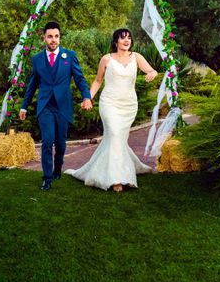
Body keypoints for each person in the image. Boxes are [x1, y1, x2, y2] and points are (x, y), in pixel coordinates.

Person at [65, 28, 157, 192]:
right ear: (116, 42)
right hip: (109, 103)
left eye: (129, 37)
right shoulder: (106, 59)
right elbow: (98, 81)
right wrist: (88, 97)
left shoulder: (136, 57)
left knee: (117, 140)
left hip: (129, 105)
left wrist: (153, 73)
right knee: (114, 135)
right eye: (123, 38)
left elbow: (151, 70)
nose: (126, 40)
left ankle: (109, 169)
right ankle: (117, 179)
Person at [19, 22, 92, 191]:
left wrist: (86, 97)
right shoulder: (37, 59)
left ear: (59, 37)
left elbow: (80, 79)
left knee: (60, 143)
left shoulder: (69, 56)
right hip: (45, 106)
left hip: (63, 106)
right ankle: (47, 178)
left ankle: (58, 167)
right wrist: (24, 106)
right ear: (44, 38)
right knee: (47, 141)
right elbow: (32, 84)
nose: (53, 40)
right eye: (50, 36)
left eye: (56, 36)